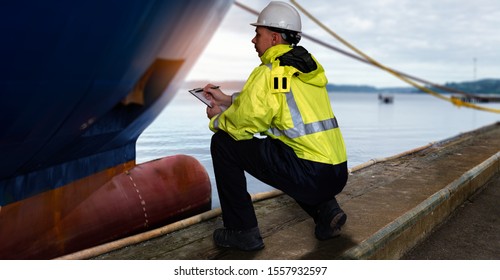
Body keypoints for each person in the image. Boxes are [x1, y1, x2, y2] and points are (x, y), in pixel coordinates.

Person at [203, 1, 348, 251]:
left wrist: (217, 119)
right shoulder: (303, 68)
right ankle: (326, 212)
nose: (253, 40)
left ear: (273, 37)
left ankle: (242, 231)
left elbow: (244, 123)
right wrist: (227, 100)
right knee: (283, 146)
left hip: (310, 175)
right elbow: (270, 100)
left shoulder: (271, 72)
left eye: (257, 34)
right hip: (336, 175)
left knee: (223, 143)